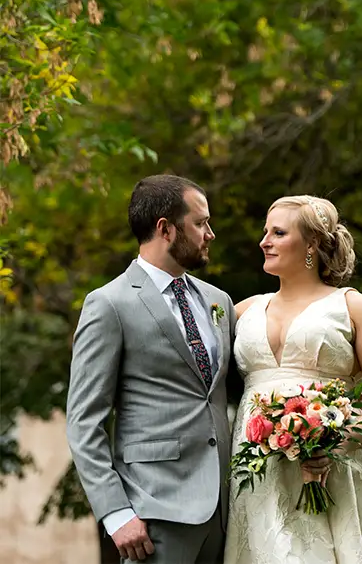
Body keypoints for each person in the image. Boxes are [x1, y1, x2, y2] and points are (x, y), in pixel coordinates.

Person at [223, 195, 362, 564]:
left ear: (311, 245)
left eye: (278, 232)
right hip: (260, 475)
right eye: (265, 232)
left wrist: (335, 444)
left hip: (336, 473)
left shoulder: (352, 307)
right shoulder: (242, 310)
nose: (264, 241)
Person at [67, 175, 252, 562]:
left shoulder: (218, 301)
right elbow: (84, 422)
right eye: (200, 223)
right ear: (165, 229)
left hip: (225, 511)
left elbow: (242, 387)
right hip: (153, 515)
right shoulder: (109, 304)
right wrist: (116, 513)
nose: (210, 234)